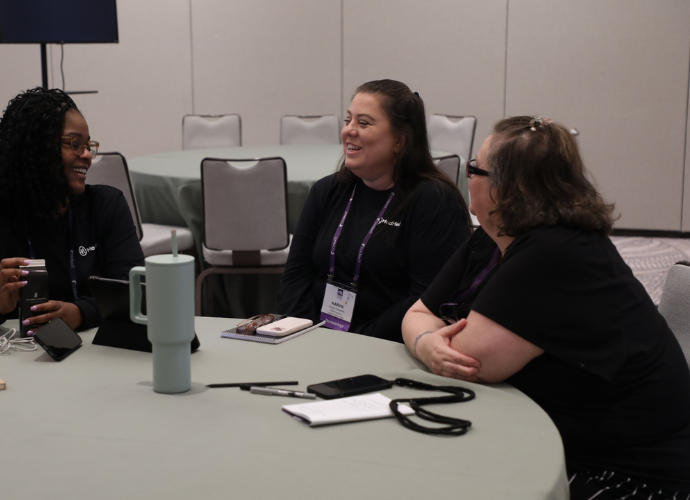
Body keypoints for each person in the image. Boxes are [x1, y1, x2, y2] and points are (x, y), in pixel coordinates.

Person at [402, 116, 690, 498]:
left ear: (503, 189)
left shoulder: (554, 253)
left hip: (629, 477)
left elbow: (467, 364)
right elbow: (417, 314)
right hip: (566, 444)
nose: (467, 176)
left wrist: (428, 340)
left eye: (474, 168)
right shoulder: (494, 238)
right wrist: (426, 343)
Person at [0, 88, 144, 333]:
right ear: (37, 148)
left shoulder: (106, 205)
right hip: (7, 351)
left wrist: (80, 313)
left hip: (93, 347)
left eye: (87, 145)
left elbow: (136, 291)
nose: (86, 155)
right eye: (74, 144)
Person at [277, 80, 471, 342]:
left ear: (400, 140)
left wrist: (358, 341)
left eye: (364, 123)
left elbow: (426, 298)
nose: (349, 130)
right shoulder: (326, 191)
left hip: (388, 345)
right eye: (348, 120)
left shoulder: (435, 201)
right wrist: (308, 335)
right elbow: (295, 277)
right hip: (313, 339)